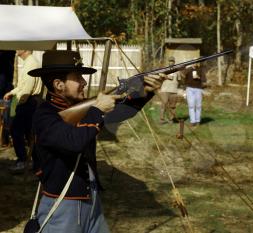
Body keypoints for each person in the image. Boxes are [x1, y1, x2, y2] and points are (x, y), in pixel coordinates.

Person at [29, 50, 164, 233]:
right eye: (77, 77)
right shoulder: (44, 116)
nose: (84, 82)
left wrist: (146, 91)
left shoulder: (80, 108)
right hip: (63, 205)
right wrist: (98, 110)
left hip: (91, 198)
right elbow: (73, 142)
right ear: (59, 84)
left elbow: (122, 111)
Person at [4, 50, 42, 172]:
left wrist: (20, 103)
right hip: (28, 101)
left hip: (28, 102)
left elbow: (27, 88)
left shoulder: (31, 63)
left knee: (17, 131)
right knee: (28, 134)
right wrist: (12, 92)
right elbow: (22, 86)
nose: (16, 49)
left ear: (25, 49)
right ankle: (34, 164)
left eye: (18, 47)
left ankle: (23, 161)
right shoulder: (28, 62)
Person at [182, 61, 206, 126]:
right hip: (189, 89)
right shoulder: (188, 69)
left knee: (198, 106)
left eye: (196, 62)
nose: (195, 63)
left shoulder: (200, 69)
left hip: (198, 89)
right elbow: (184, 79)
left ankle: (198, 120)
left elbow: (204, 80)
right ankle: (193, 121)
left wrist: (199, 77)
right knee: (191, 105)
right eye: (194, 62)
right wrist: (184, 90)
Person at [0, 50, 16, 146]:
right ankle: (5, 138)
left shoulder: (5, 57)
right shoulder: (8, 57)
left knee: (5, 117)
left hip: (5, 92)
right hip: (5, 91)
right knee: (5, 117)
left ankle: (5, 138)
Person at [159, 56, 180, 124]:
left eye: (172, 61)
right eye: (170, 61)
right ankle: (161, 119)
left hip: (174, 90)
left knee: (173, 106)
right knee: (164, 105)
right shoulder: (164, 69)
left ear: (174, 62)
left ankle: (171, 119)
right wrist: (166, 76)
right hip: (165, 90)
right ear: (168, 62)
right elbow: (160, 75)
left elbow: (179, 80)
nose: (171, 62)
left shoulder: (177, 70)